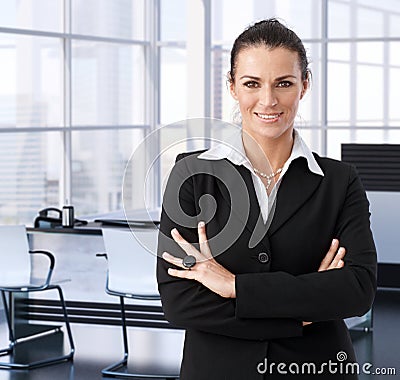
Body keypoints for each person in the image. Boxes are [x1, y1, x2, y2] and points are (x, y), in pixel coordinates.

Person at [157, 18, 377, 379]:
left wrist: (234, 287)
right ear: (232, 87)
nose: (268, 100)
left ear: (304, 85)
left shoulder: (339, 182)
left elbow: (357, 290)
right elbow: (180, 302)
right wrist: (302, 313)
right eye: (251, 84)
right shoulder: (192, 176)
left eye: (284, 83)